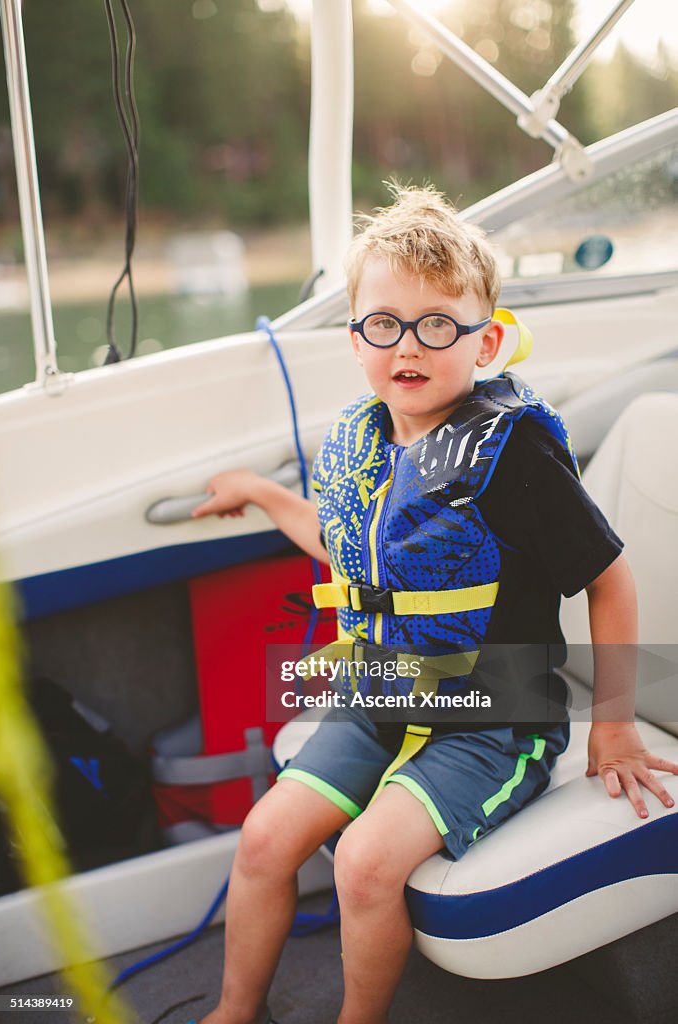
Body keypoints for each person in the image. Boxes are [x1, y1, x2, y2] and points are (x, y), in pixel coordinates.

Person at [190, 185, 678, 1024]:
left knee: (365, 865)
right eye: (384, 323)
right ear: (355, 338)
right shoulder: (366, 437)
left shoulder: (514, 452)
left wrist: (613, 723)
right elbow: (358, 553)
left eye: (437, 324)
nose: (408, 345)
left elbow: (609, 578)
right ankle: (234, 1013)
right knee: (265, 840)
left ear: (484, 339)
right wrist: (270, 498)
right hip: (385, 689)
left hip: (495, 718)